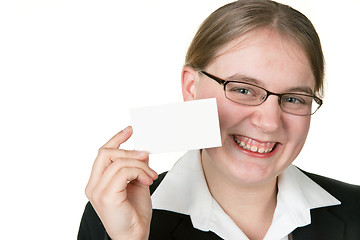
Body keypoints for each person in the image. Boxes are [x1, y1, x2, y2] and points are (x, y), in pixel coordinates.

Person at [78, 0, 360, 239]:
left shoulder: (356, 210)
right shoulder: (114, 215)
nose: (270, 122)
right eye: (243, 90)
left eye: (294, 98)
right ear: (191, 87)